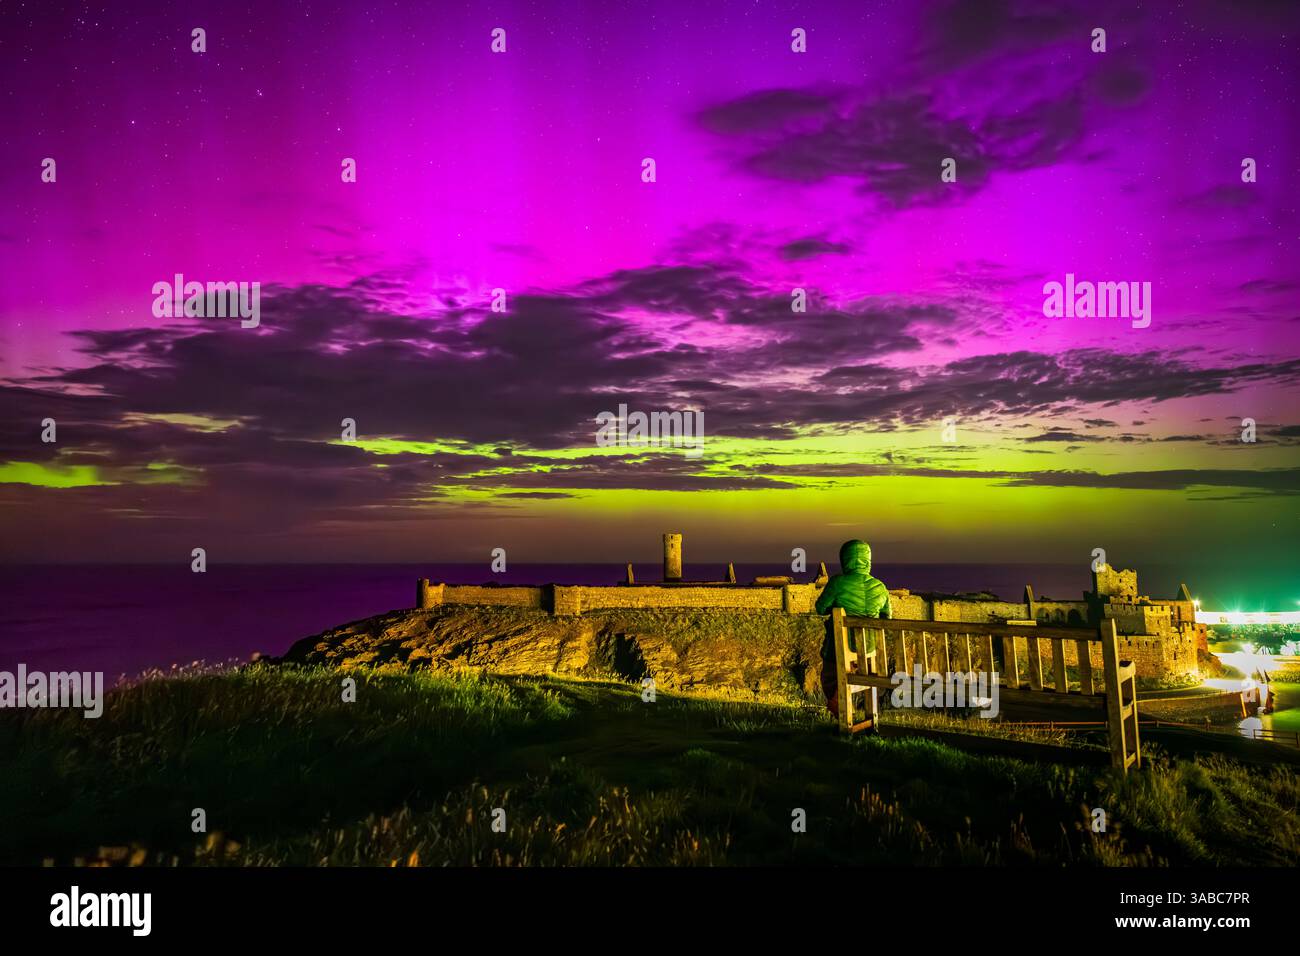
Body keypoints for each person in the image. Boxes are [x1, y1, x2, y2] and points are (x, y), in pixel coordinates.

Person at [815, 539, 891, 718]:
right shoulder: (881, 587)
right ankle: (870, 719)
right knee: (862, 666)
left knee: (830, 677)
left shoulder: (837, 583)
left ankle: (841, 707)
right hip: (869, 651)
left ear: (844, 559)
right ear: (868, 560)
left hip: (838, 652)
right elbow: (886, 618)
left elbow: (820, 609)